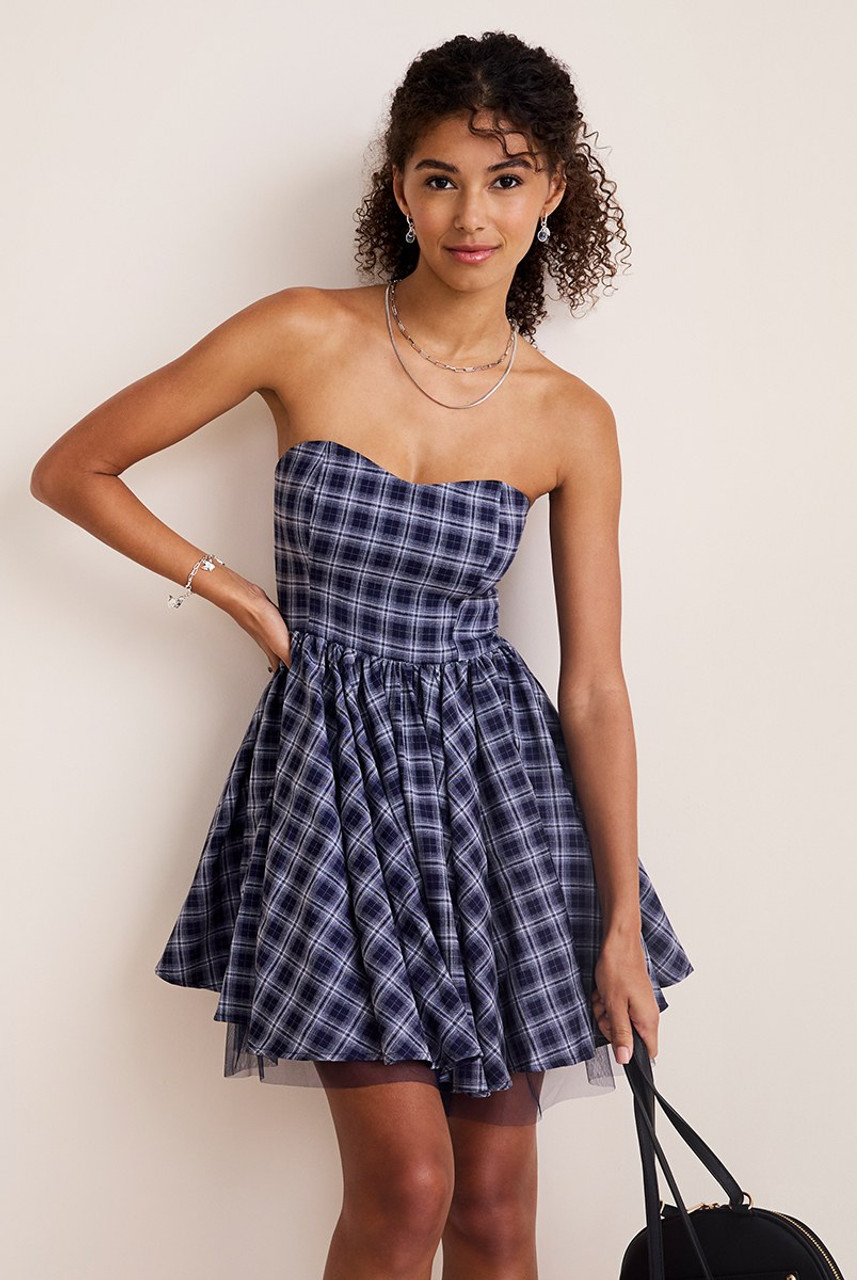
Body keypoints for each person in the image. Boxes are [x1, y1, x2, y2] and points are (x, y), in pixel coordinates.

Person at [30, 29, 694, 1280]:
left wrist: (617, 921)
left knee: (491, 1210)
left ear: (553, 190)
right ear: (398, 187)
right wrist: (236, 594)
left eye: (504, 179)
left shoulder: (571, 416)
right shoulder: (301, 331)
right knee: (408, 1187)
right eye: (439, 178)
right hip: (331, 779)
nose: (469, 214)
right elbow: (73, 469)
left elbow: (594, 685)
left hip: (497, 794)